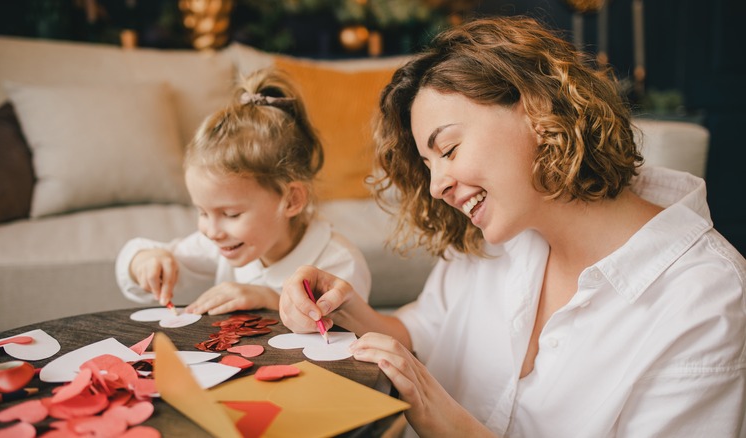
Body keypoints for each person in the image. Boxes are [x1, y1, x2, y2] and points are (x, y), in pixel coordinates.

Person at [279, 16, 746, 437]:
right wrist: (339, 307)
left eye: (449, 150)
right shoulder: (494, 236)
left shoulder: (705, 304)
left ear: (539, 109)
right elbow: (422, 328)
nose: (437, 185)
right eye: (427, 165)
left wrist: (443, 417)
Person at [115, 68, 371, 315]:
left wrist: (268, 298)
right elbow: (134, 265)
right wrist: (145, 262)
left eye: (231, 214)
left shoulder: (338, 263)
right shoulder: (224, 243)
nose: (211, 231)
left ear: (291, 200)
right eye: (202, 212)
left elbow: (345, 337)